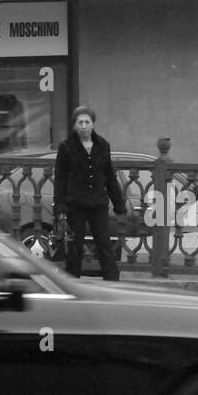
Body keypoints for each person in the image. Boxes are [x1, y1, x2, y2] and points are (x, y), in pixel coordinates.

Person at [53, 105, 127, 281]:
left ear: (93, 124)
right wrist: (60, 207)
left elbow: (109, 176)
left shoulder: (102, 145)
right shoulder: (66, 147)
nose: (84, 126)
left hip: (98, 204)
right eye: (80, 122)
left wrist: (119, 205)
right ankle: (72, 283)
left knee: (104, 244)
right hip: (75, 205)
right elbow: (60, 179)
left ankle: (112, 284)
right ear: (74, 125)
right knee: (75, 246)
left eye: (87, 122)